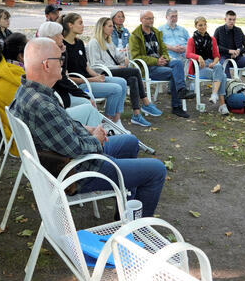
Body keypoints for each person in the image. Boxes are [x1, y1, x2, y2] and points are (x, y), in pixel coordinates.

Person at [10, 38, 166, 217]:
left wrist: (88, 129)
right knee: (157, 170)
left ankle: (124, 213)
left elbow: (62, 123)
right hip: (77, 170)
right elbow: (76, 148)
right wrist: (96, 140)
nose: (63, 63)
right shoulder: (42, 104)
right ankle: (136, 232)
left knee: (130, 141)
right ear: (46, 65)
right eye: (60, 59)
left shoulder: (27, 91)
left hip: (67, 159)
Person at [87, 17, 162, 127]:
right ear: (102, 27)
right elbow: (95, 65)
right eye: (110, 26)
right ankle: (146, 102)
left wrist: (124, 58)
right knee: (135, 71)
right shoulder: (94, 43)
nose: (112, 28)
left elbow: (118, 56)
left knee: (133, 79)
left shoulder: (108, 41)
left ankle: (136, 114)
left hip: (113, 70)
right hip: (103, 73)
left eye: (112, 26)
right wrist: (117, 67)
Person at [38, 21, 111, 127]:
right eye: (59, 35)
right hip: (58, 97)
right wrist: (83, 95)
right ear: (51, 38)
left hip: (61, 93)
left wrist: (63, 53)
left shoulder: (52, 52)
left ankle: (99, 127)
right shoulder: (48, 57)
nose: (62, 37)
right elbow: (62, 79)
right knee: (87, 103)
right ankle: (96, 130)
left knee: (89, 97)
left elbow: (63, 76)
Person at [61, 12, 128, 126]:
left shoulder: (79, 42)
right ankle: (108, 121)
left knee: (122, 82)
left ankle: (117, 120)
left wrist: (96, 76)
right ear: (70, 25)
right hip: (80, 85)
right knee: (116, 89)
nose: (83, 26)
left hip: (89, 79)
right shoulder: (62, 46)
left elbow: (86, 67)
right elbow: (67, 78)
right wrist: (93, 80)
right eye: (80, 23)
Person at [129, 10, 195, 118]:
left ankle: (181, 90)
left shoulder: (156, 33)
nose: (151, 20)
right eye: (148, 18)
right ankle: (177, 106)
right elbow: (136, 57)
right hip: (148, 68)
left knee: (177, 63)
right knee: (174, 73)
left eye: (152, 18)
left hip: (161, 63)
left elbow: (164, 49)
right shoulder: (135, 36)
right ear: (141, 20)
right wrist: (156, 61)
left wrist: (164, 58)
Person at [185, 17, 228, 115]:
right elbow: (188, 54)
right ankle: (222, 104)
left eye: (204, 25)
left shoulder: (212, 39)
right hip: (199, 67)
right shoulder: (191, 40)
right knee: (223, 76)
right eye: (200, 25)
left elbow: (217, 56)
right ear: (195, 26)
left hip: (211, 65)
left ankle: (214, 94)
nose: (203, 27)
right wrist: (198, 57)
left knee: (218, 67)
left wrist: (214, 62)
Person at [214, 10, 245, 82]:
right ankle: (230, 87)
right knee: (224, 64)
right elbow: (215, 46)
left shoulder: (238, 30)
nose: (232, 21)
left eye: (234, 20)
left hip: (237, 57)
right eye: (230, 19)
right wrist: (229, 51)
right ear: (225, 19)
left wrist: (239, 51)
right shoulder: (219, 30)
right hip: (223, 57)